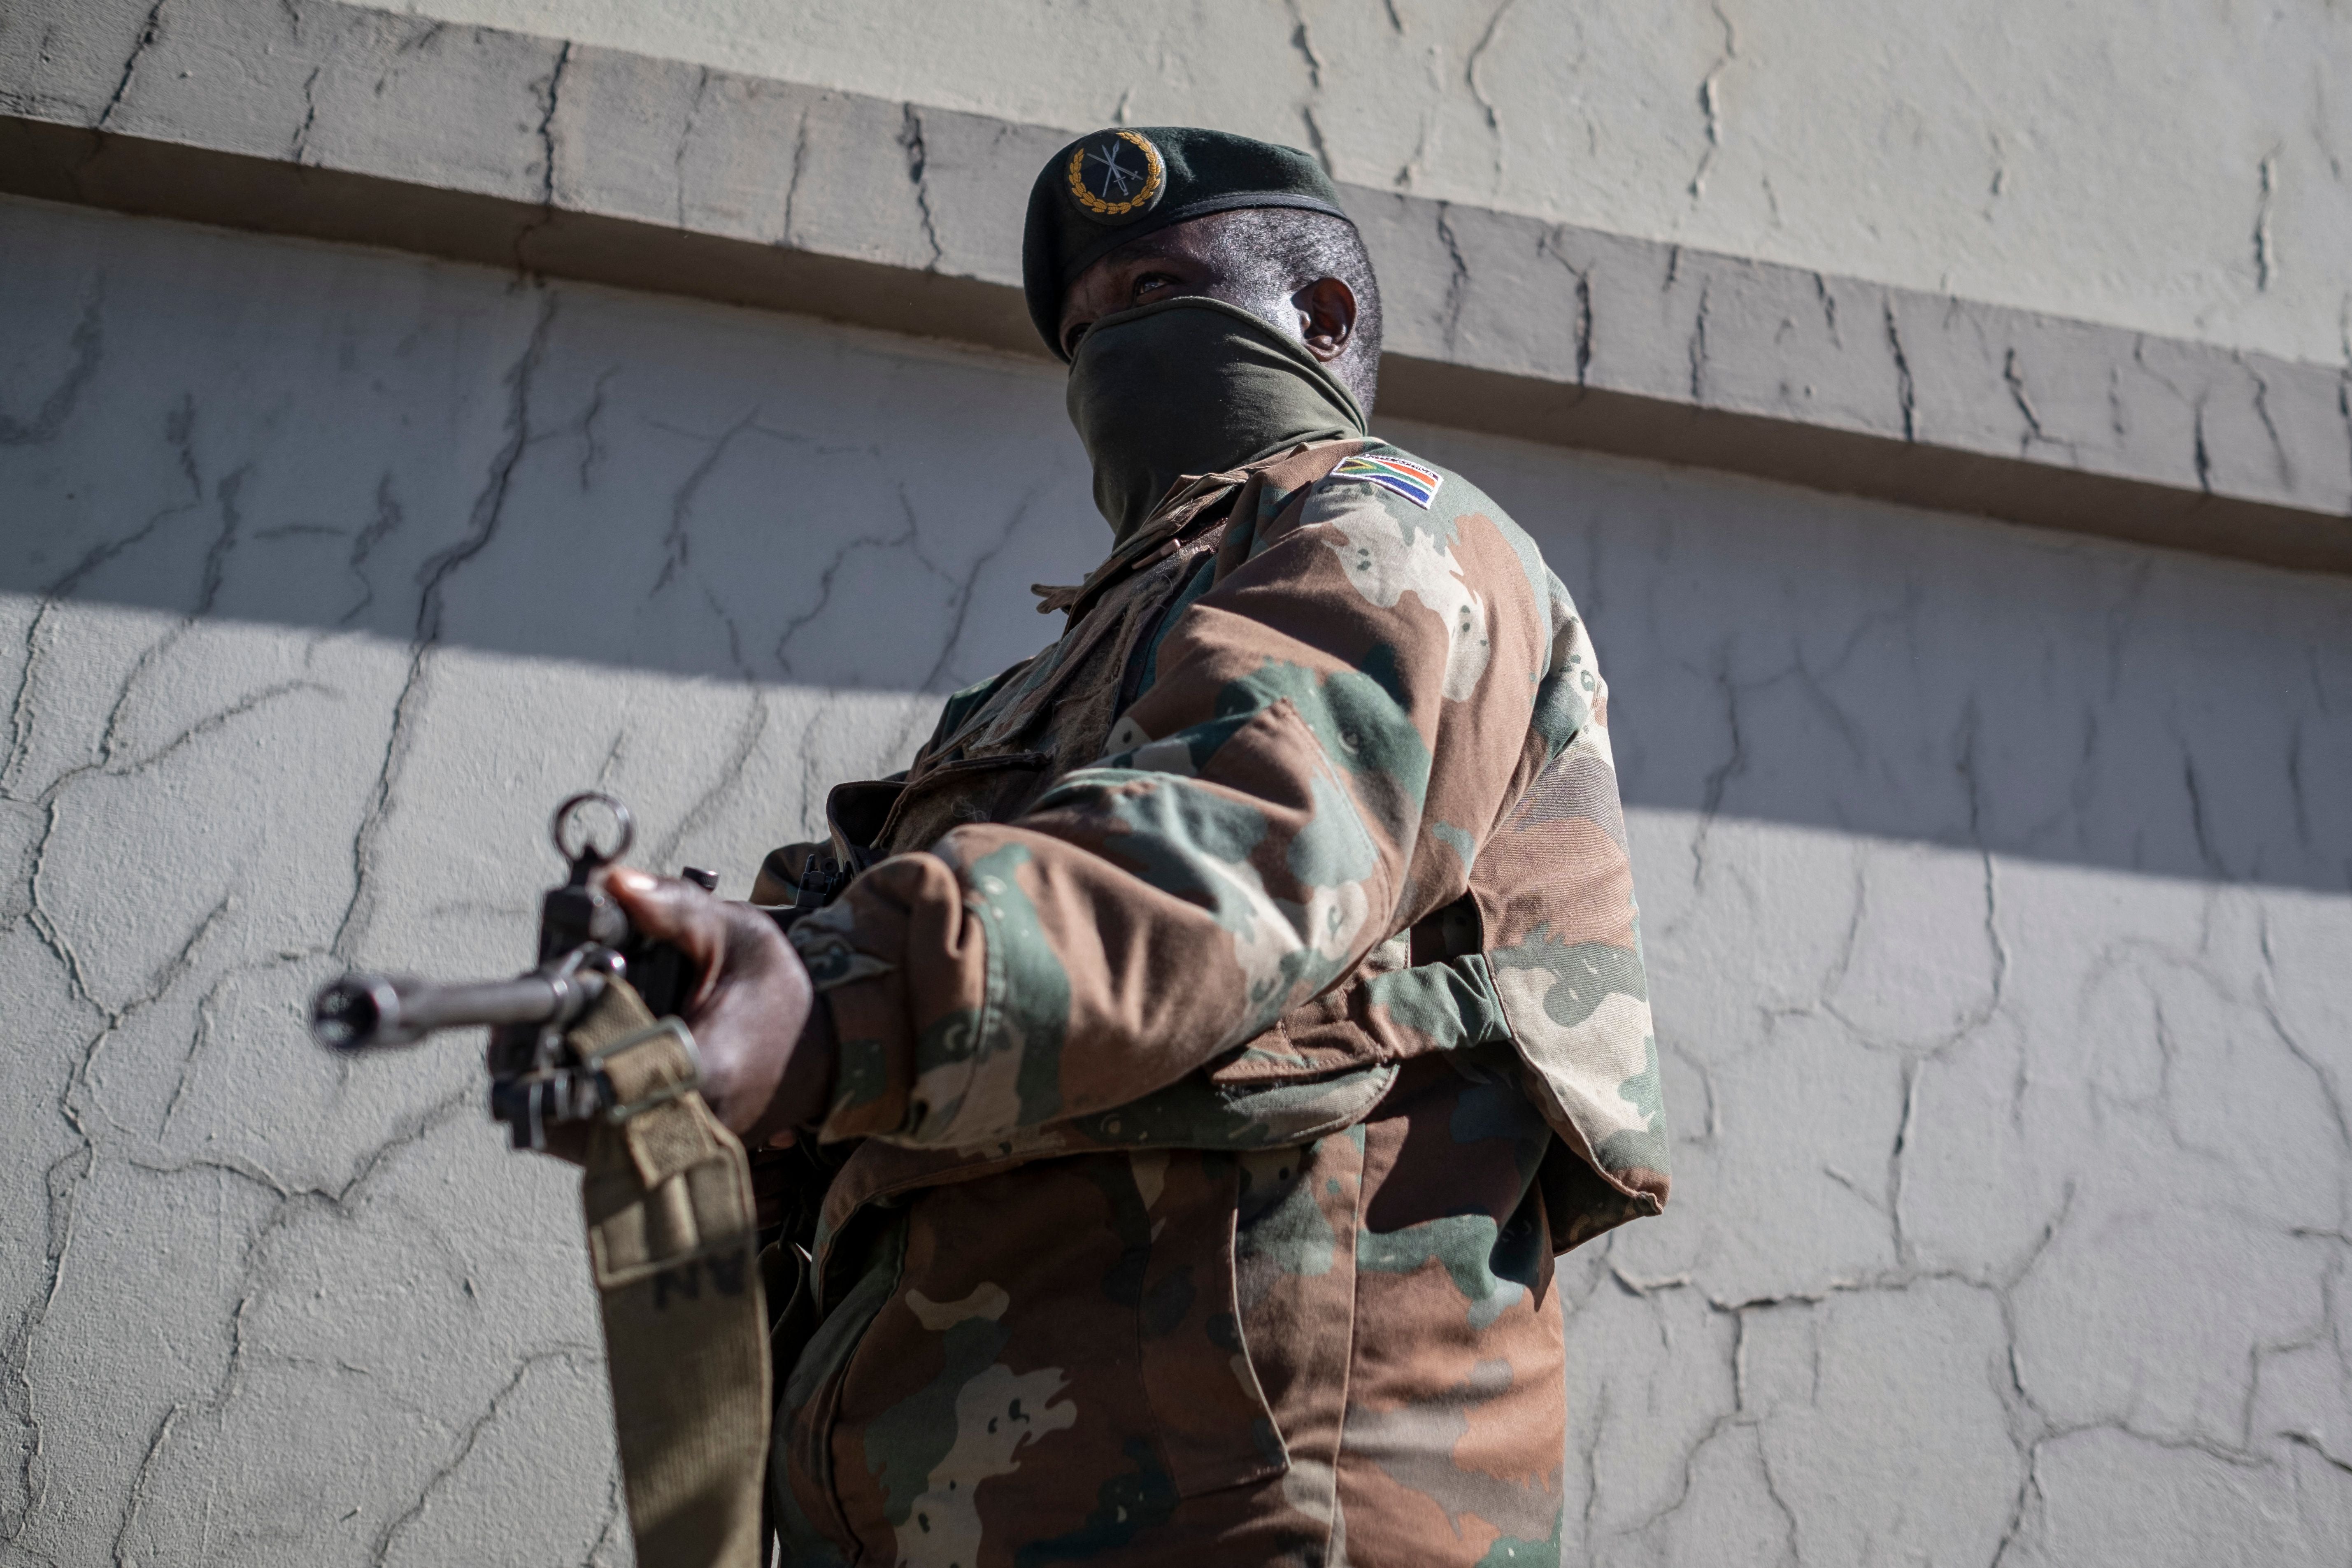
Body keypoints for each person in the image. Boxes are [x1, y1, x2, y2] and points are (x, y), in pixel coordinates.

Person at [602, 126, 1669, 1567]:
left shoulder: (1385, 532)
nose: (1108, 349)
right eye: (1081, 330)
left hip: (1245, 1488)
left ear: (1323, 318)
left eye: (1154, 293)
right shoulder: (1061, 669)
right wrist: (697, 987)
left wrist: (832, 1003)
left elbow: (1227, 848)